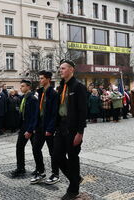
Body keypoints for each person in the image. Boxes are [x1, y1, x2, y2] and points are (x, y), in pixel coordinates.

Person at [54, 60, 87, 200]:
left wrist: (80, 132)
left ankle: (73, 190)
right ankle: (76, 178)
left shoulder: (78, 86)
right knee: (56, 156)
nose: (60, 70)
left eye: (63, 68)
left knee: (73, 158)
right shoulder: (61, 86)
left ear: (71, 70)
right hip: (61, 126)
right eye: (60, 68)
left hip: (73, 129)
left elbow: (83, 111)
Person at [30, 70, 59, 185]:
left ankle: (55, 174)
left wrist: (50, 128)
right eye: (40, 78)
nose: (40, 80)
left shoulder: (53, 94)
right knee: (36, 148)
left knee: (53, 152)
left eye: (42, 78)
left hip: (48, 127)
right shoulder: (40, 92)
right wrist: (34, 125)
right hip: (39, 126)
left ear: (48, 79)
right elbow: (38, 110)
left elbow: (54, 113)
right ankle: (41, 172)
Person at [11, 80, 38, 177]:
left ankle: (39, 168)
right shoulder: (23, 97)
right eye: (20, 86)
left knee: (35, 148)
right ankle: (20, 168)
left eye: (22, 86)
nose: (20, 88)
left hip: (30, 128)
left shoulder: (32, 99)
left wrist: (30, 130)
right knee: (19, 147)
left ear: (28, 87)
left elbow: (34, 116)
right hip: (23, 127)